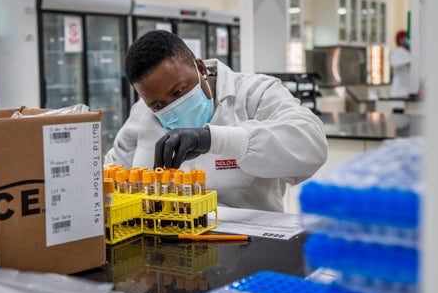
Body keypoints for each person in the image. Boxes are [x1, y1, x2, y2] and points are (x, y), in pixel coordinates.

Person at [104, 30, 328, 212]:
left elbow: (312, 146)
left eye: (178, 91)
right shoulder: (142, 114)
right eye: (159, 106)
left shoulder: (254, 94)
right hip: (165, 247)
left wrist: (213, 139)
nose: (171, 106)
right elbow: (112, 170)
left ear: (200, 68)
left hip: (248, 248)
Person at [390, 30, 411, 114]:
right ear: (399, 40)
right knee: (399, 117)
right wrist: (408, 61)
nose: (406, 40)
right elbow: (395, 63)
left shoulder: (408, 52)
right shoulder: (397, 52)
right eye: (404, 38)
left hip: (406, 89)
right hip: (399, 91)